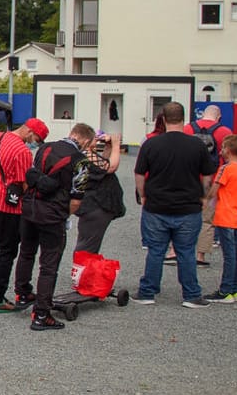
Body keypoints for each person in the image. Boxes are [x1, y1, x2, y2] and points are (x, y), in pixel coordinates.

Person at [133, 103, 213, 306]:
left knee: (156, 250)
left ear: (163, 119)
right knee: (186, 251)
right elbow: (207, 177)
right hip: (188, 206)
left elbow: (140, 173)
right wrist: (204, 197)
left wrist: (143, 195)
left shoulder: (151, 144)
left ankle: (147, 292)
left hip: (157, 205)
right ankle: (191, 294)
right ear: (184, 119)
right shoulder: (197, 145)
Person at [14, 123, 84, 331]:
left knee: (26, 252)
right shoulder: (80, 161)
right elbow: (77, 197)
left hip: (30, 208)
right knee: (49, 263)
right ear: (85, 141)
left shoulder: (44, 148)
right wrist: (65, 216)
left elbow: (32, 176)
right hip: (52, 214)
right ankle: (41, 313)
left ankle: (22, 292)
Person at [0, 118, 42, 311]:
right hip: (9, 207)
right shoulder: (22, 152)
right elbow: (25, 182)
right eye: (36, 139)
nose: (34, 144)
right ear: (30, 132)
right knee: (7, 251)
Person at [209, 136, 237, 303]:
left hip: (224, 213)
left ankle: (225, 290)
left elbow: (214, 190)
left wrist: (207, 198)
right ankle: (236, 289)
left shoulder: (225, 169)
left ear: (227, 149)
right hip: (236, 214)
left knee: (229, 255)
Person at [188, 106, 231, 266]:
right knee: (207, 221)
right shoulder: (224, 131)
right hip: (213, 179)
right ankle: (200, 255)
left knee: (181, 217)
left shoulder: (188, 128)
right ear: (218, 116)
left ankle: (176, 251)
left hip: (189, 179)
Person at [71, 127, 125, 256]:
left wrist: (108, 148)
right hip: (96, 205)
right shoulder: (85, 154)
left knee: (88, 243)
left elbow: (101, 166)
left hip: (93, 205)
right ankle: (82, 272)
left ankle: (84, 271)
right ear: (87, 140)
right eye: (95, 138)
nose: (97, 140)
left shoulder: (85, 154)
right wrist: (116, 145)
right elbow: (110, 167)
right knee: (87, 246)